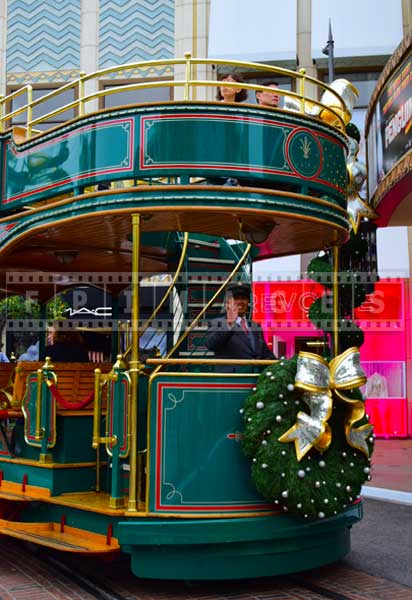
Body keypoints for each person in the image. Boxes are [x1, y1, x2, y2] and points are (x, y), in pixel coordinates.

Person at [206, 283, 275, 372]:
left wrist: (279, 365)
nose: (240, 302)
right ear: (228, 302)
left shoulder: (255, 326)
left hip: (254, 378)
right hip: (232, 380)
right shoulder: (218, 323)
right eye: (236, 298)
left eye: (244, 298)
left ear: (248, 302)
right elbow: (211, 344)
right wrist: (229, 324)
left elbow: (265, 353)